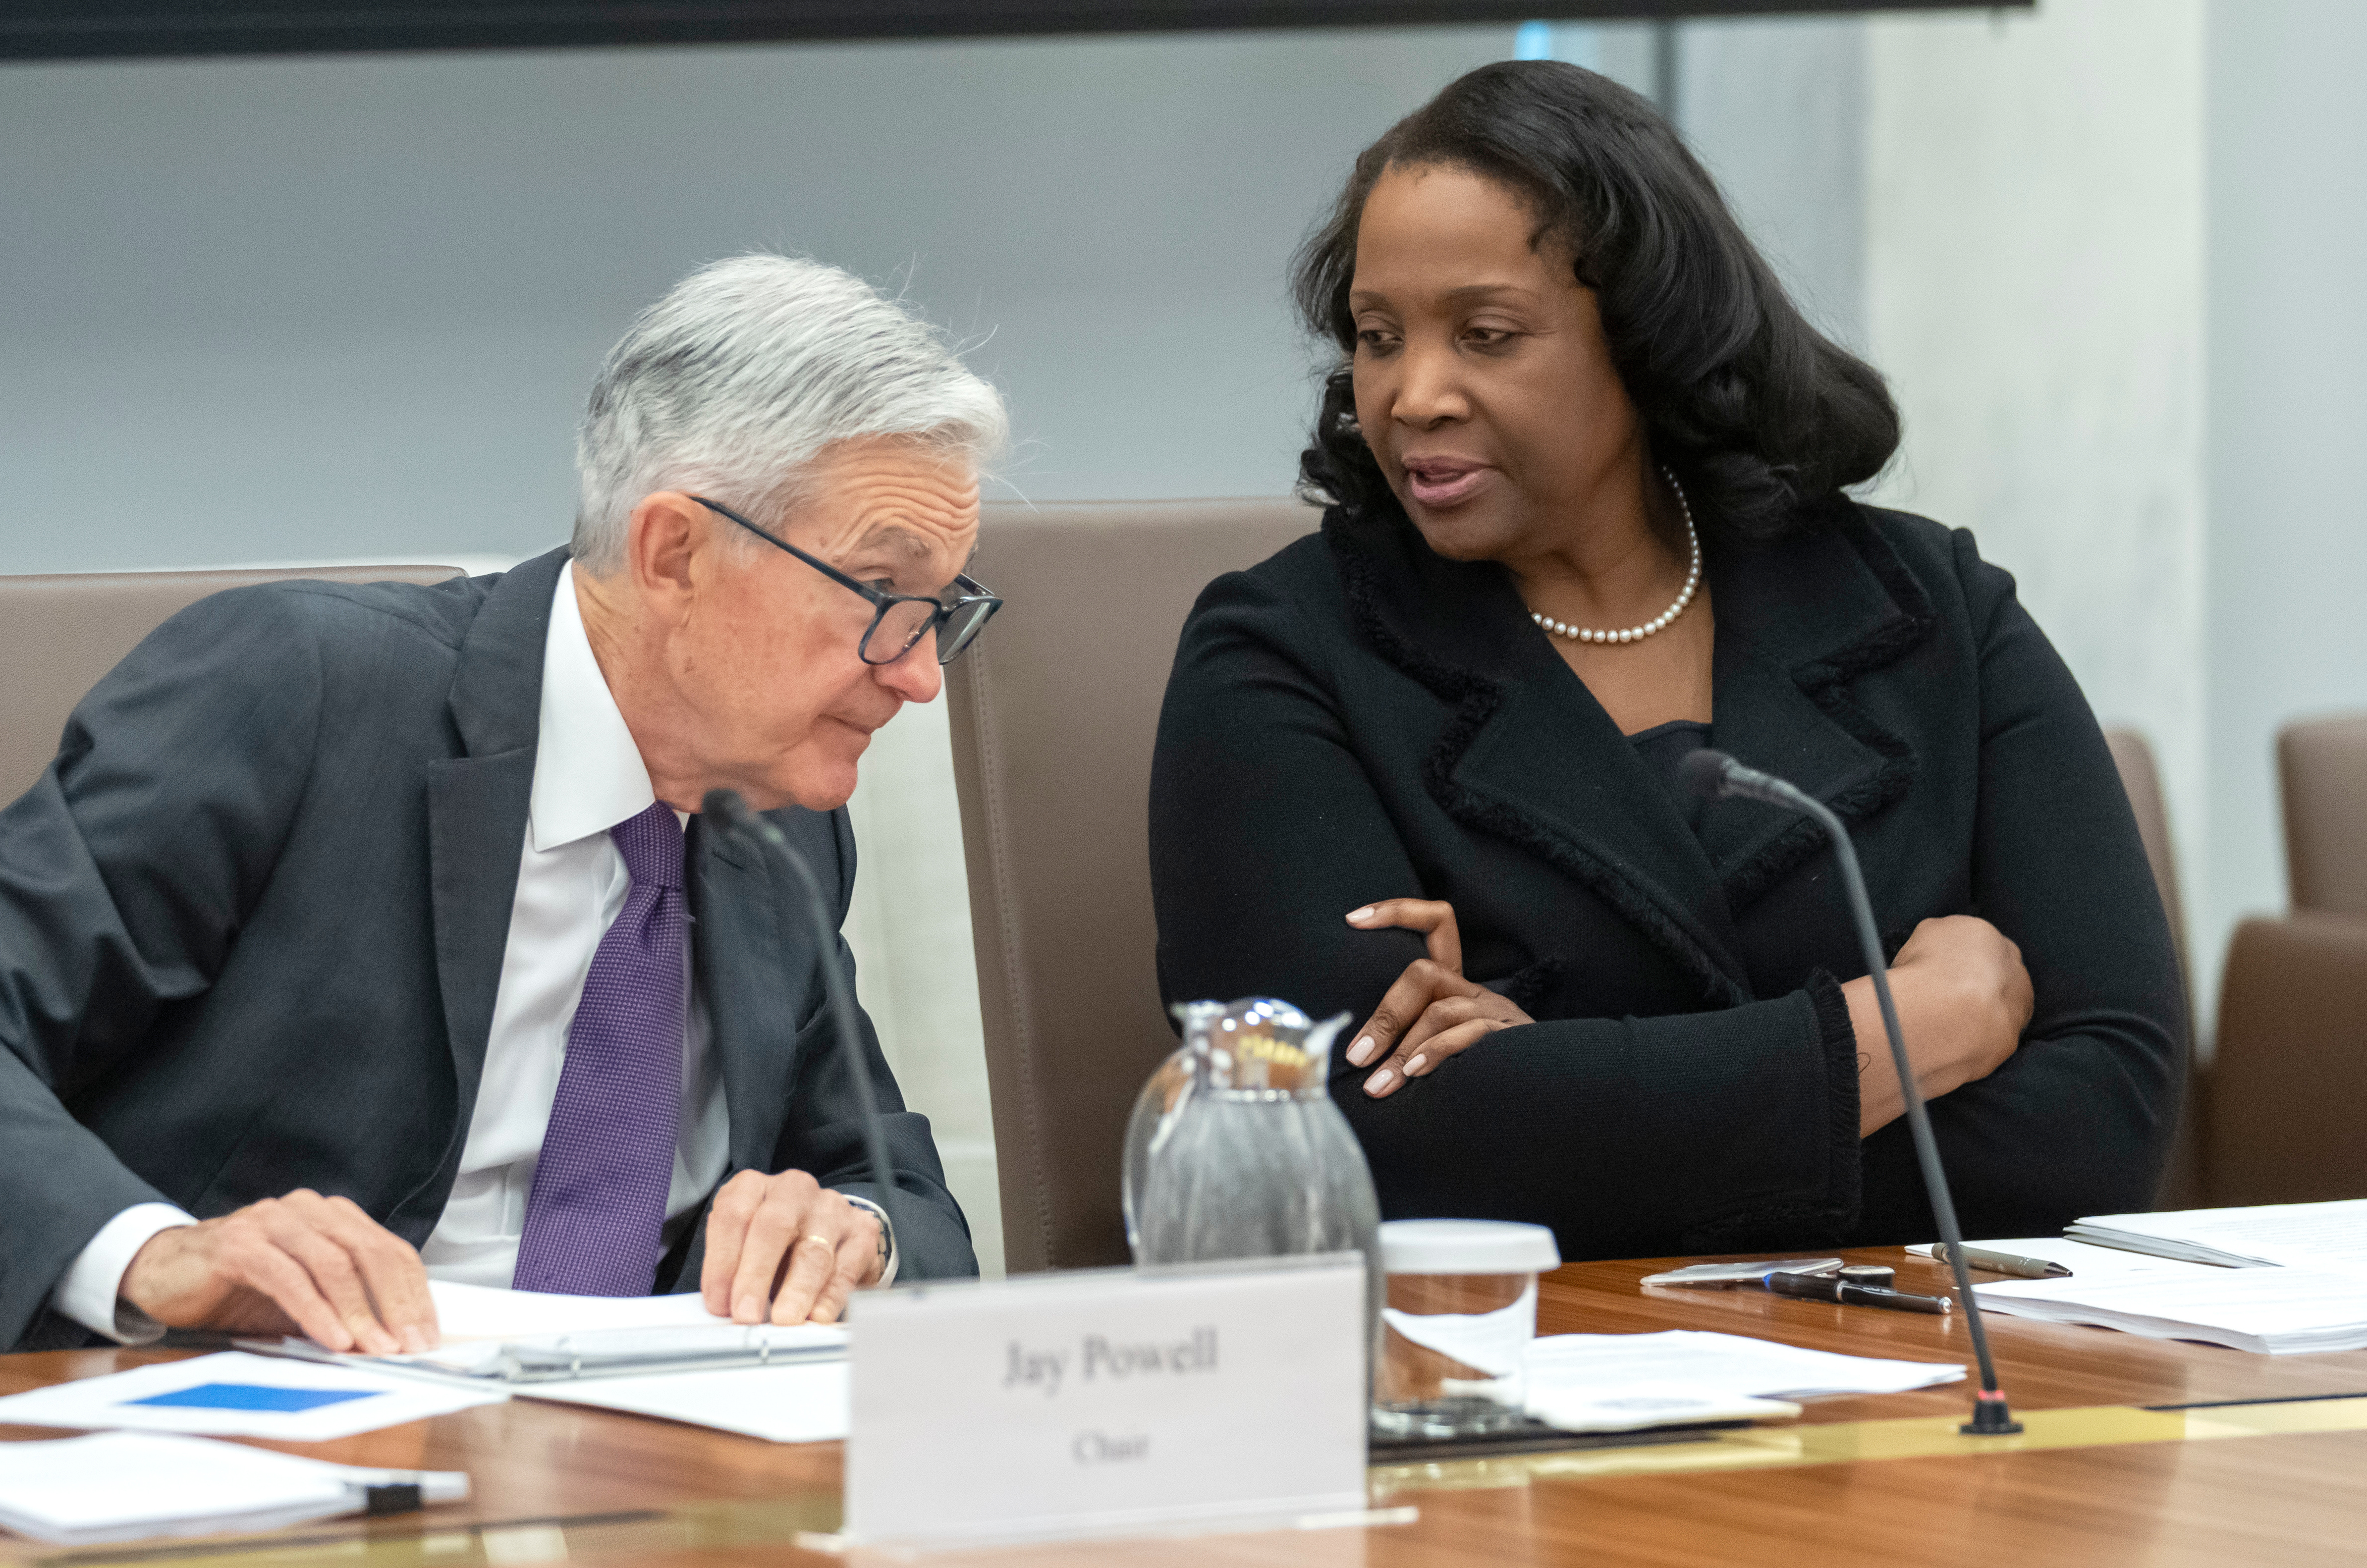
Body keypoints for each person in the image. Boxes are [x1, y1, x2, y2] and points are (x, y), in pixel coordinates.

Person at [1149, 62, 2183, 1259]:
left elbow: (2107, 1113)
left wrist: (1559, 1084)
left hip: (1942, 1366)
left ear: (1645, 339)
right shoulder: (1282, 653)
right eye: (1377, 338)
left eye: (1485, 335)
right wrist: (1905, 1031)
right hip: (1500, 1377)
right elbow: (1349, 1146)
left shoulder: (1927, 605)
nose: (1412, 394)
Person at [0, 254, 1003, 1352]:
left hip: (646, 1458)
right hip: (239, 1431)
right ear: (674, 552)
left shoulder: (781, 820)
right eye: (883, 596)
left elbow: (899, 1187)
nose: (918, 673)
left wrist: (850, 1229)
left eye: (939, 609)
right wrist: (148, 1254)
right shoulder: (302, 692)